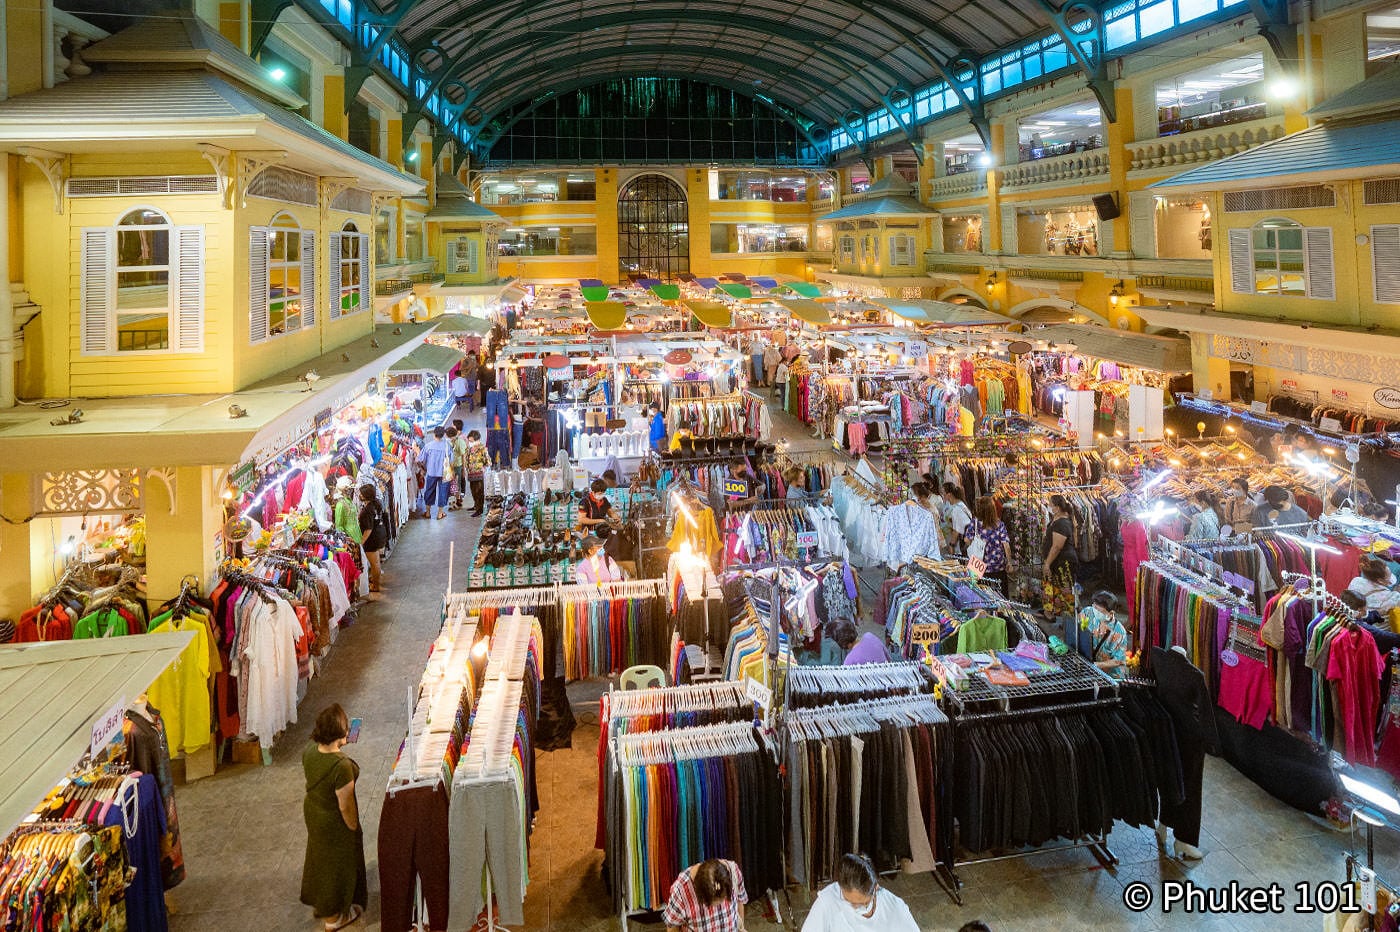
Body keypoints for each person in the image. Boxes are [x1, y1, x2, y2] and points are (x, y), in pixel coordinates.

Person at [301, 704, 367, 931]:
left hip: (314, 812)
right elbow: (345, 804)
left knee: (319, 858)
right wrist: (353, 827)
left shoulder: (309, 751)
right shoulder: (342, 767)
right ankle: (334, 918)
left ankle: (323, 904)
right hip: (332, 821)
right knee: (337, 865)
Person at [800, 853, 918, 932]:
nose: (855, 907)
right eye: (848, 901)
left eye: (863, 903)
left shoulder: (895, 907)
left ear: (876, 888)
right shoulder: (827, 902)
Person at [664, 858, 748, 932]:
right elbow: (672, 926)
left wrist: (741, 927)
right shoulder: (680, 890)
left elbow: (740, 901)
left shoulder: (734, 872)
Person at [1042, 494, 1078, 623]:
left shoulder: (1062, 523)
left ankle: (1070, 621)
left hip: (1063, 563)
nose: (1048, 506)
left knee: (1065, 589)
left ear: (1057, 507)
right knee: (1053, 587)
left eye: (1050, 504)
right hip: (1057, 562)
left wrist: (1047, 564)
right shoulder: (1059, 519)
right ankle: (1051, 612)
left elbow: (1057, 546)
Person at [967, 498, 1012, 593]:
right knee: (1001, 594)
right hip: (997, 565)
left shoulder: (974, 523)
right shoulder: (999, 524)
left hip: (978, 565)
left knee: (980, 594)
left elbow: (967, 540)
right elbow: (1006, 545)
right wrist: (1009, 562)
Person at [1079, 590, 1127, 677]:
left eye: (1099, 610)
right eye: (1094, 606)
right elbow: (1079, 629)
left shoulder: (1120, 632)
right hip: (1089, 666)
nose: (1094, 611)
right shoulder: (1088, 612)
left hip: (1110, 674)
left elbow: (1117, 661)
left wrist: (1095, 665)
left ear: (1111, 613)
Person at [357, 484, 387, 593]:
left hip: (372, 538)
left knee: (374, 564)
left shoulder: (367, 510)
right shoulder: (377, 503)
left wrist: (361, 542)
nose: (359, 495)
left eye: (361, 494)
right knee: (377, 562)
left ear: (366, 496)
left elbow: (368, 529)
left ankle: (376, 586)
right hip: (380, 534)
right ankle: (375, 580)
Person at [420, 425, 450, 520]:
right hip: (443, 473)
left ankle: (428, 512)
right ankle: (440, 514)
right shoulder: (447, 446)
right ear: (443, 435)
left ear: (434, 434)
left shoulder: (428, 446)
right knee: (443, 492)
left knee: (429, 491)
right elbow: (451, 460)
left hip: (431, 473)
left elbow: (421, 459)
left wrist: (423, 469)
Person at [940, 483, 973, 556]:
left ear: (949, 495)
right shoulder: (959, 504)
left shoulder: (957, 509)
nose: (942, 495)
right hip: (954, 541)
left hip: (959, 545)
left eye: (943, 493)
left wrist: (951, 545)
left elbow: (956, 531)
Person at [332, 476, 362, 545]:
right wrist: (346, 541)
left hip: (357, 535)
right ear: (344, 490)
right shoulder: (340, 505)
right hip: (350, 539)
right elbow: (339, 526)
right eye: (350, 489)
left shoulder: (349, 501)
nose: (351, 491)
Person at [465, 430, 487, 517]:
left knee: (479, 492)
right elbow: (466, 459)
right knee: (473, 491)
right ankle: (476, 505)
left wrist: (483, 468)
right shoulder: (469, 449)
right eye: (469, 441)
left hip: (479, 474)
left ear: (476, 440)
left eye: (471, 441)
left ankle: (480, 509)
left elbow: (488, 461)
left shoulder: (482, 449)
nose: (469, 443)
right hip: (471, 474)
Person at [445, 425, 465, 510]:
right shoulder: (450, 442)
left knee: (458, 484)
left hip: (458, 466)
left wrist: (464, 469)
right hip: (451, 467)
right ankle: (456, 500)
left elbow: (463, 455)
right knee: (453, 485)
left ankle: (458, 501)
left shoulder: (460, 442)